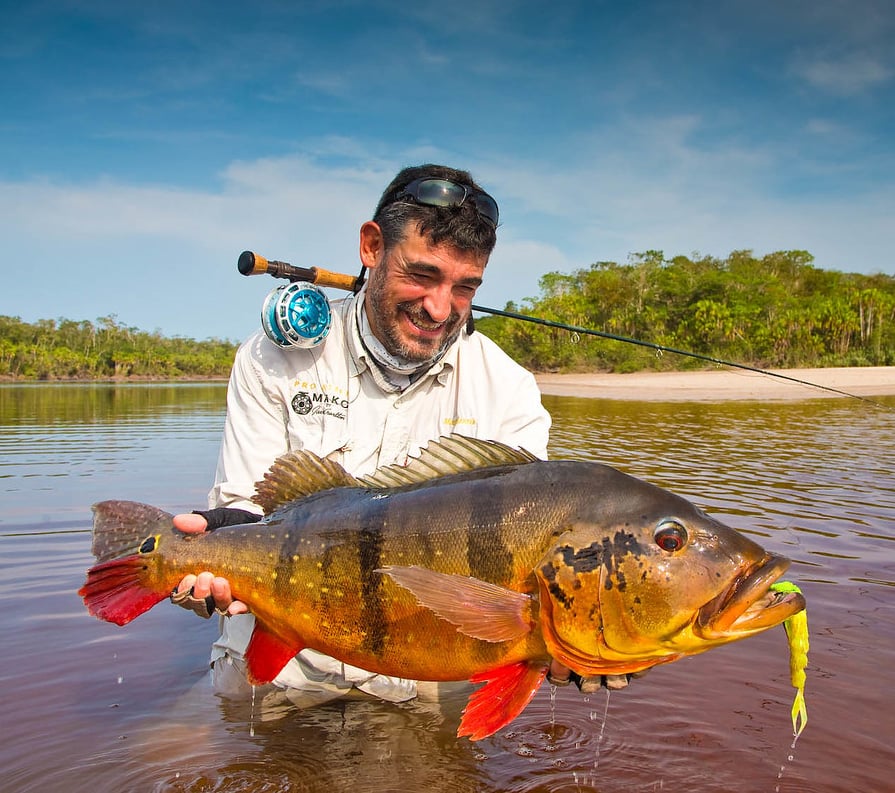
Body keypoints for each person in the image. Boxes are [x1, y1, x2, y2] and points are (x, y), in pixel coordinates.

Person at [172, 163, 552, 705]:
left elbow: (528, 555)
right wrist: (214, 558)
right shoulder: (271, 358)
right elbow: (249, 512)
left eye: (464, 287)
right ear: (371, 246)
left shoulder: (509, 390)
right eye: (421, 276)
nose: (440, 309)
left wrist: (577, 644)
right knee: (161, 752)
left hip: (422, 677)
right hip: (282, 665)